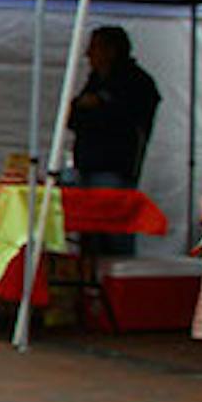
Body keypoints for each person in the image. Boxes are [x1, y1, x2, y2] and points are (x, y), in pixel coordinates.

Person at [68, 26, 161, 256]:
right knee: (89, 232)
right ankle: (90, 283)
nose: (88, 54)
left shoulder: (136, 81)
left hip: (115, 168)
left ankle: (119, 284)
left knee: (115, 230)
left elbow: (125, 121)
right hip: (86, 165)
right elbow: (72, 118)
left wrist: (98, 107)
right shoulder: (95, 80)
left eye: (94, 48)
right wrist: (89, 107)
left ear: (111, 50)